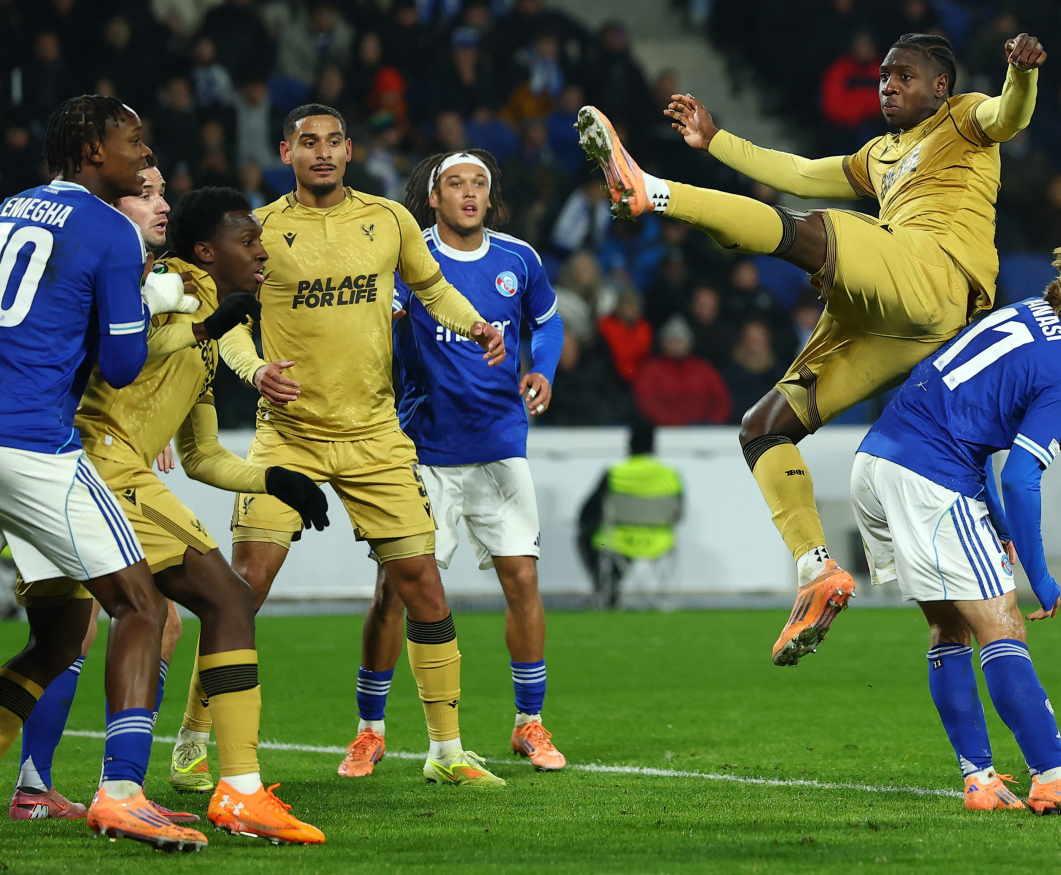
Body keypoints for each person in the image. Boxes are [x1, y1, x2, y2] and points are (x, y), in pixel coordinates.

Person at [577, 32, 1047, 665]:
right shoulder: (879, 155)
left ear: (941, 85)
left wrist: (1022, 74)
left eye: (903, 76)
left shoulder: (965, 118)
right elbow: (799, 173)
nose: (887, 85)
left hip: (938, 278)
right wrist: (715, 141)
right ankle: (816, 569)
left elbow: (1010, 114)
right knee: (764, 427)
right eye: (883, 76)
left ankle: (654, 192)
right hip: (901, 319)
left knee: (815, 231)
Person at [172, 104, 510, 792]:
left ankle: (446, 749)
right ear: (286, 152)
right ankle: (193, 743)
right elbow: (228, 320)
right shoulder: (259, 229)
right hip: (288, 435)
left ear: (350, 150)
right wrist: (254, 371)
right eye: (308, 142)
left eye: (332, 141)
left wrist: (477, 324)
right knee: (242, 591)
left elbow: (432, 288)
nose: (321, 152)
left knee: (424, 587)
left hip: (375, 436)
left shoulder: (388, 219)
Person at [16, 187, 330, 842]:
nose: (262, 251)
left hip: (67, 470)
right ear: (207, 251)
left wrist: (275, 479)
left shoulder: (213, 321)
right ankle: (237, 790)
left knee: (57, 643)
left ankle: (80, 789)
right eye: (248, 241)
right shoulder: (174, 284)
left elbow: (202, 455)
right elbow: (120, 348)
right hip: (101, 463)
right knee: (226, 600)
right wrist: (202, 325)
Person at [850, 244, 1061, 815]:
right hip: (932, 475)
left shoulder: (1023, 311)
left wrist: (997, 522)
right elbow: (1021, 474)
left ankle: (980, 780)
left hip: (877, 460)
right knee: (1003, 624)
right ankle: (1053, 777)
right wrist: (1040, 574)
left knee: (949, 626)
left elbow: (971, 421)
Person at [0, 95, 205, 851]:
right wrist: (144, 303)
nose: (144, 153)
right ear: (92, 150)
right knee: (142, 607)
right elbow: (120, 367)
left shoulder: (9, 208)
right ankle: (122, 792)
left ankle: (33, 788)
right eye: (134, 141)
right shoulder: (110, 228)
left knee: (57, 636)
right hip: (31, 445)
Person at [337, 148, 567, 779]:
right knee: (393, 591)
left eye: (479, 184)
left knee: (522, 580)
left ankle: (529, 723)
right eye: (456, 184)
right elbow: (373, 331)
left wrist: (542, 370)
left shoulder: (519, 258)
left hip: (499, 445)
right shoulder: (408, 259)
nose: (469, 193)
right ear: (433, 197)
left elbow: (548, 324)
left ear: (490, 196)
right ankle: (369, 731)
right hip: (422, 449)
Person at [576, 421, 683, 607]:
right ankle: (612, 590)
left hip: (619, 539)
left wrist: (587, 524)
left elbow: (587, 513)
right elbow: (679, 513)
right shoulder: (671, 474)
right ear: (653, 445)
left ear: (629, 445)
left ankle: (606, 589)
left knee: (587, 538)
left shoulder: (616, 472)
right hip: (659, 541)